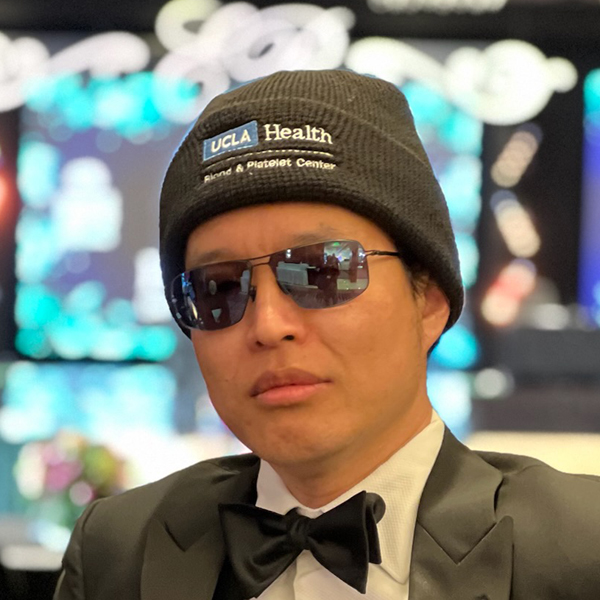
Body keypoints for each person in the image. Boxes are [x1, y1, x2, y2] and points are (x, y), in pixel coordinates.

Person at [54, 70, 600, 600]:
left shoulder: (579, 549)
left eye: (322, 273)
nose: (269, 326)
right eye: (218, 289)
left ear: (430, 300)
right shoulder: (119, 552)